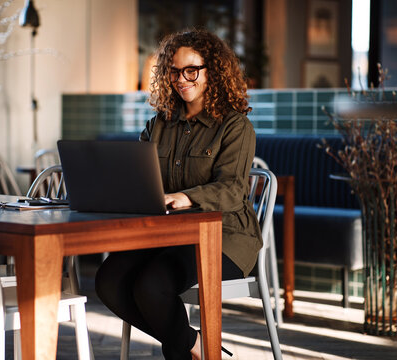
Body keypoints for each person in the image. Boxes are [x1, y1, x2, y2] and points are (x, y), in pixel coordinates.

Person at [95, 29, 262, 360]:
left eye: (191, 70)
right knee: (108, 281)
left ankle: (187, 350)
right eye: (173, 71)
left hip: (224, 238)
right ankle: (195, 344)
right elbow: (138, 177)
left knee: (151, 286)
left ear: (211, 70)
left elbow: (232, 189)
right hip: (168, 235)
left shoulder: (234, 126)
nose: (181, 79)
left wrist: (184, 197)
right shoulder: (159, 124)